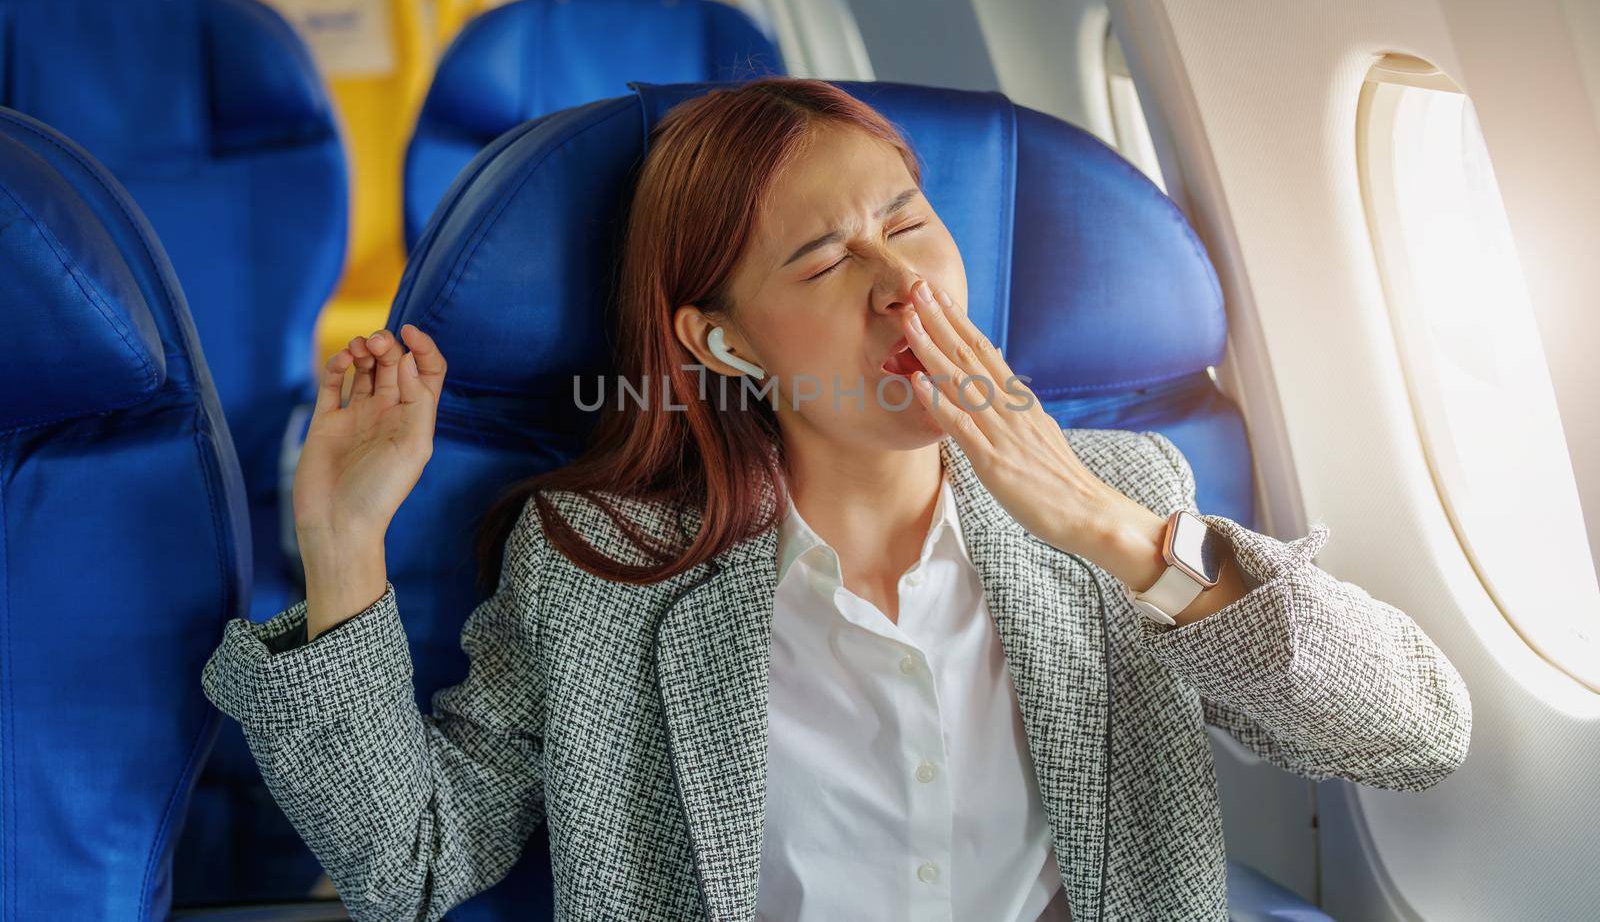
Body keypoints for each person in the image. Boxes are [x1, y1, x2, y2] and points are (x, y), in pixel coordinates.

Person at [202, 77, 1472, 921]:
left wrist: (1109, 533)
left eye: (908, 223)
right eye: (821, 256)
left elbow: (1413, 732)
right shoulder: (598, 565)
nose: (898, 285)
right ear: (727, 345)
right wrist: (341, 538)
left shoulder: (1129, 499)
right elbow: (408, 866)